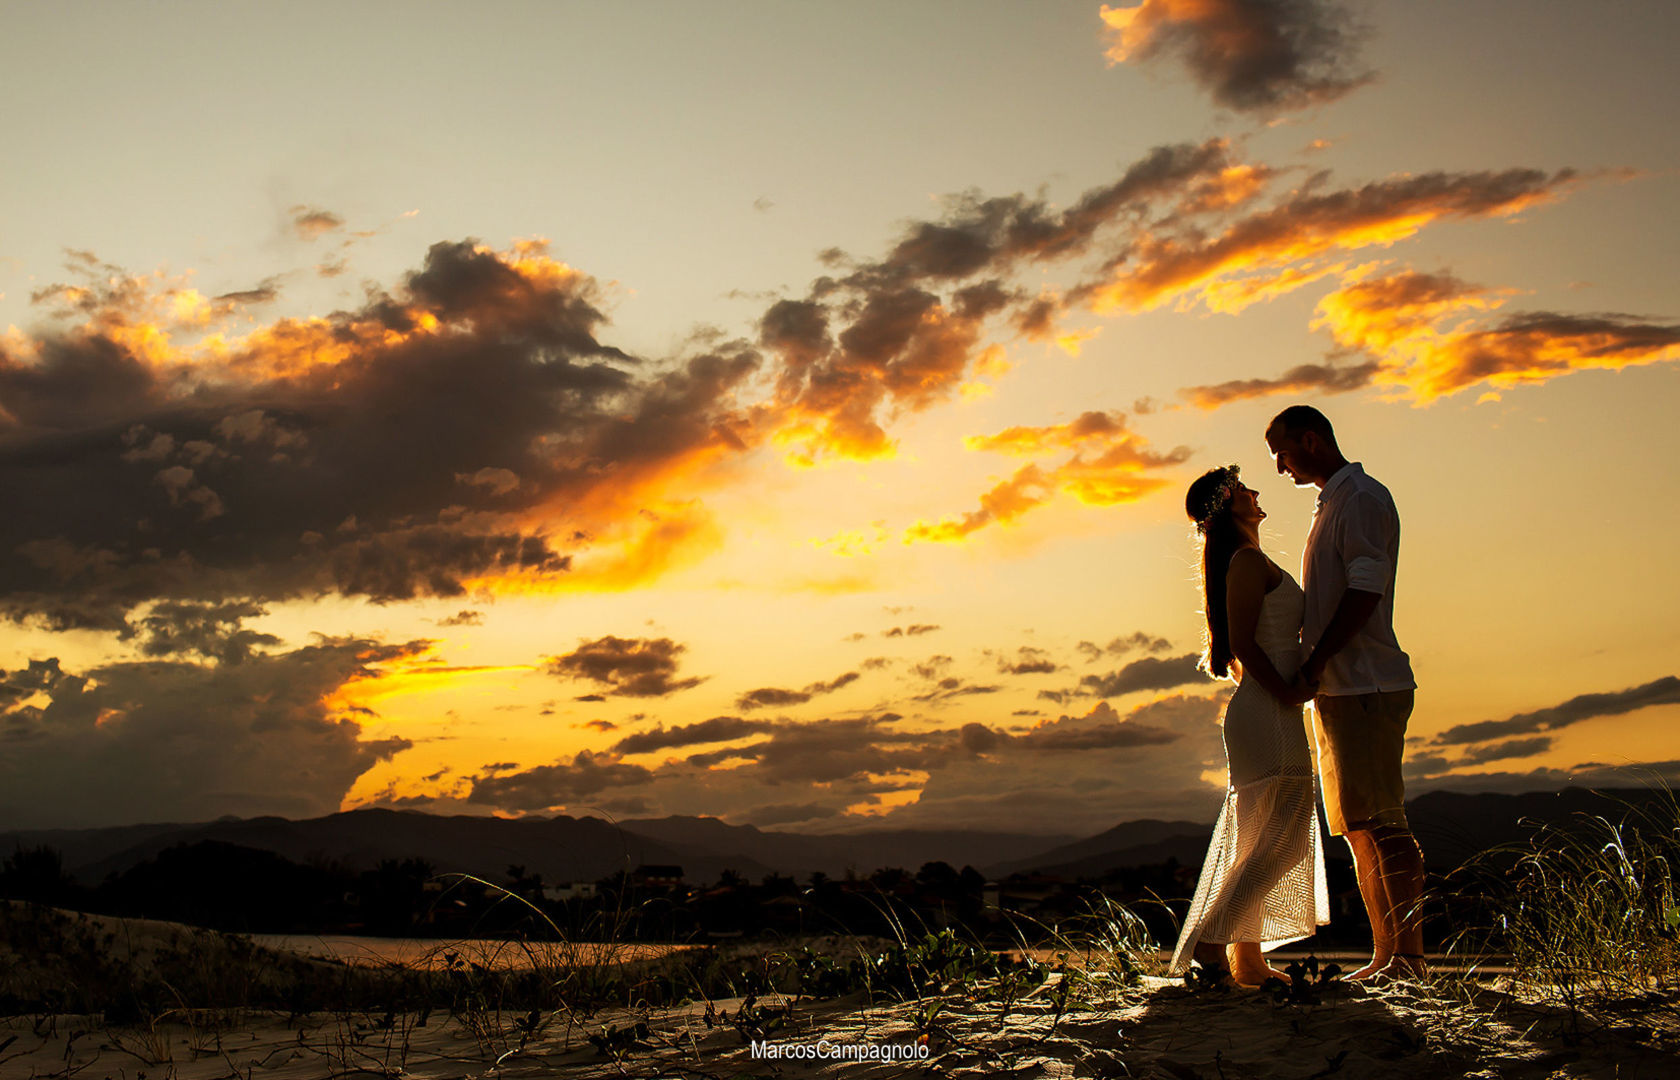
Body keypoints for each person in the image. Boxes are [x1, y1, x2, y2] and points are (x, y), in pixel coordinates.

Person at [1265, 404, 1426, 982]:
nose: (1280, 469)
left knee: (1385, 824)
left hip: (1366, 683)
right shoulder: (1331, 502)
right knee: (1359, 828)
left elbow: (1365, 589)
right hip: (1339, 689)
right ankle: (1387, 956)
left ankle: (1409, 959)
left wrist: (1317, 657)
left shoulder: (1360, 497)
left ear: (1311, 439)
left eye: (1281, 453)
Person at [1169, 464, 1329, 987]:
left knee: (1262, 836)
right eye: (1242, 488)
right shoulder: (1244, 561)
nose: (1255, 491)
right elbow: (1241, 646)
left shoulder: (1247, 561)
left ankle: (1250, 961)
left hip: (1267, 705)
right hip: (1268, 709)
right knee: (1282, 838)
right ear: (1226, 505)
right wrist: (1286, 691)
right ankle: (1212, 946)